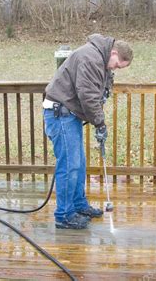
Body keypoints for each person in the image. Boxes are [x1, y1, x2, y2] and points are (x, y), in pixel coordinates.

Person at [43, 34, 133, 229]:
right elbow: (87, 95)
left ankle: (78, 205)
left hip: (70, 114)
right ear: (114, 52)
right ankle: (64, 215)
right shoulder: (90, 58)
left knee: (78, 164)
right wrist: (100, 124)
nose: (115, 68)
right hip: (60, 115)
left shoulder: (100, 58)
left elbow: (100, 89)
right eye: (117, 65)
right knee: (69, 166)